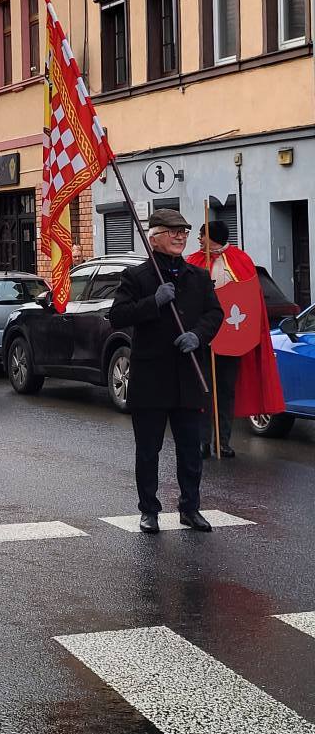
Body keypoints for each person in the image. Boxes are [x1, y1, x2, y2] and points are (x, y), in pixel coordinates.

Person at [109, 209, 223, 534]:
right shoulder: (138, 277)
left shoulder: (198, 277)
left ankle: (190, 508)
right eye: (172, 231)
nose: (180, 236)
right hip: (151, 379)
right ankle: (149, 510)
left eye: (184, 232)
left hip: (188, 376)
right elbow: (117, 316)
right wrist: (153, 302)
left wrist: (198, 335)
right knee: (148, 451)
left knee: (190, 449)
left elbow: (215, 313)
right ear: (154, 237)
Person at [188, 220, 284, 459]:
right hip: (204, 339)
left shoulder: (241, 261)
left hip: (232, 339)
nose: (198, 240)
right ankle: (203, 441)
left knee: (226, 391)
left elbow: (250, 301)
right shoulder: (193, 263)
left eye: (202, 235)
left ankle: (224, 442)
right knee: (205, 392)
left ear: (214, 237)